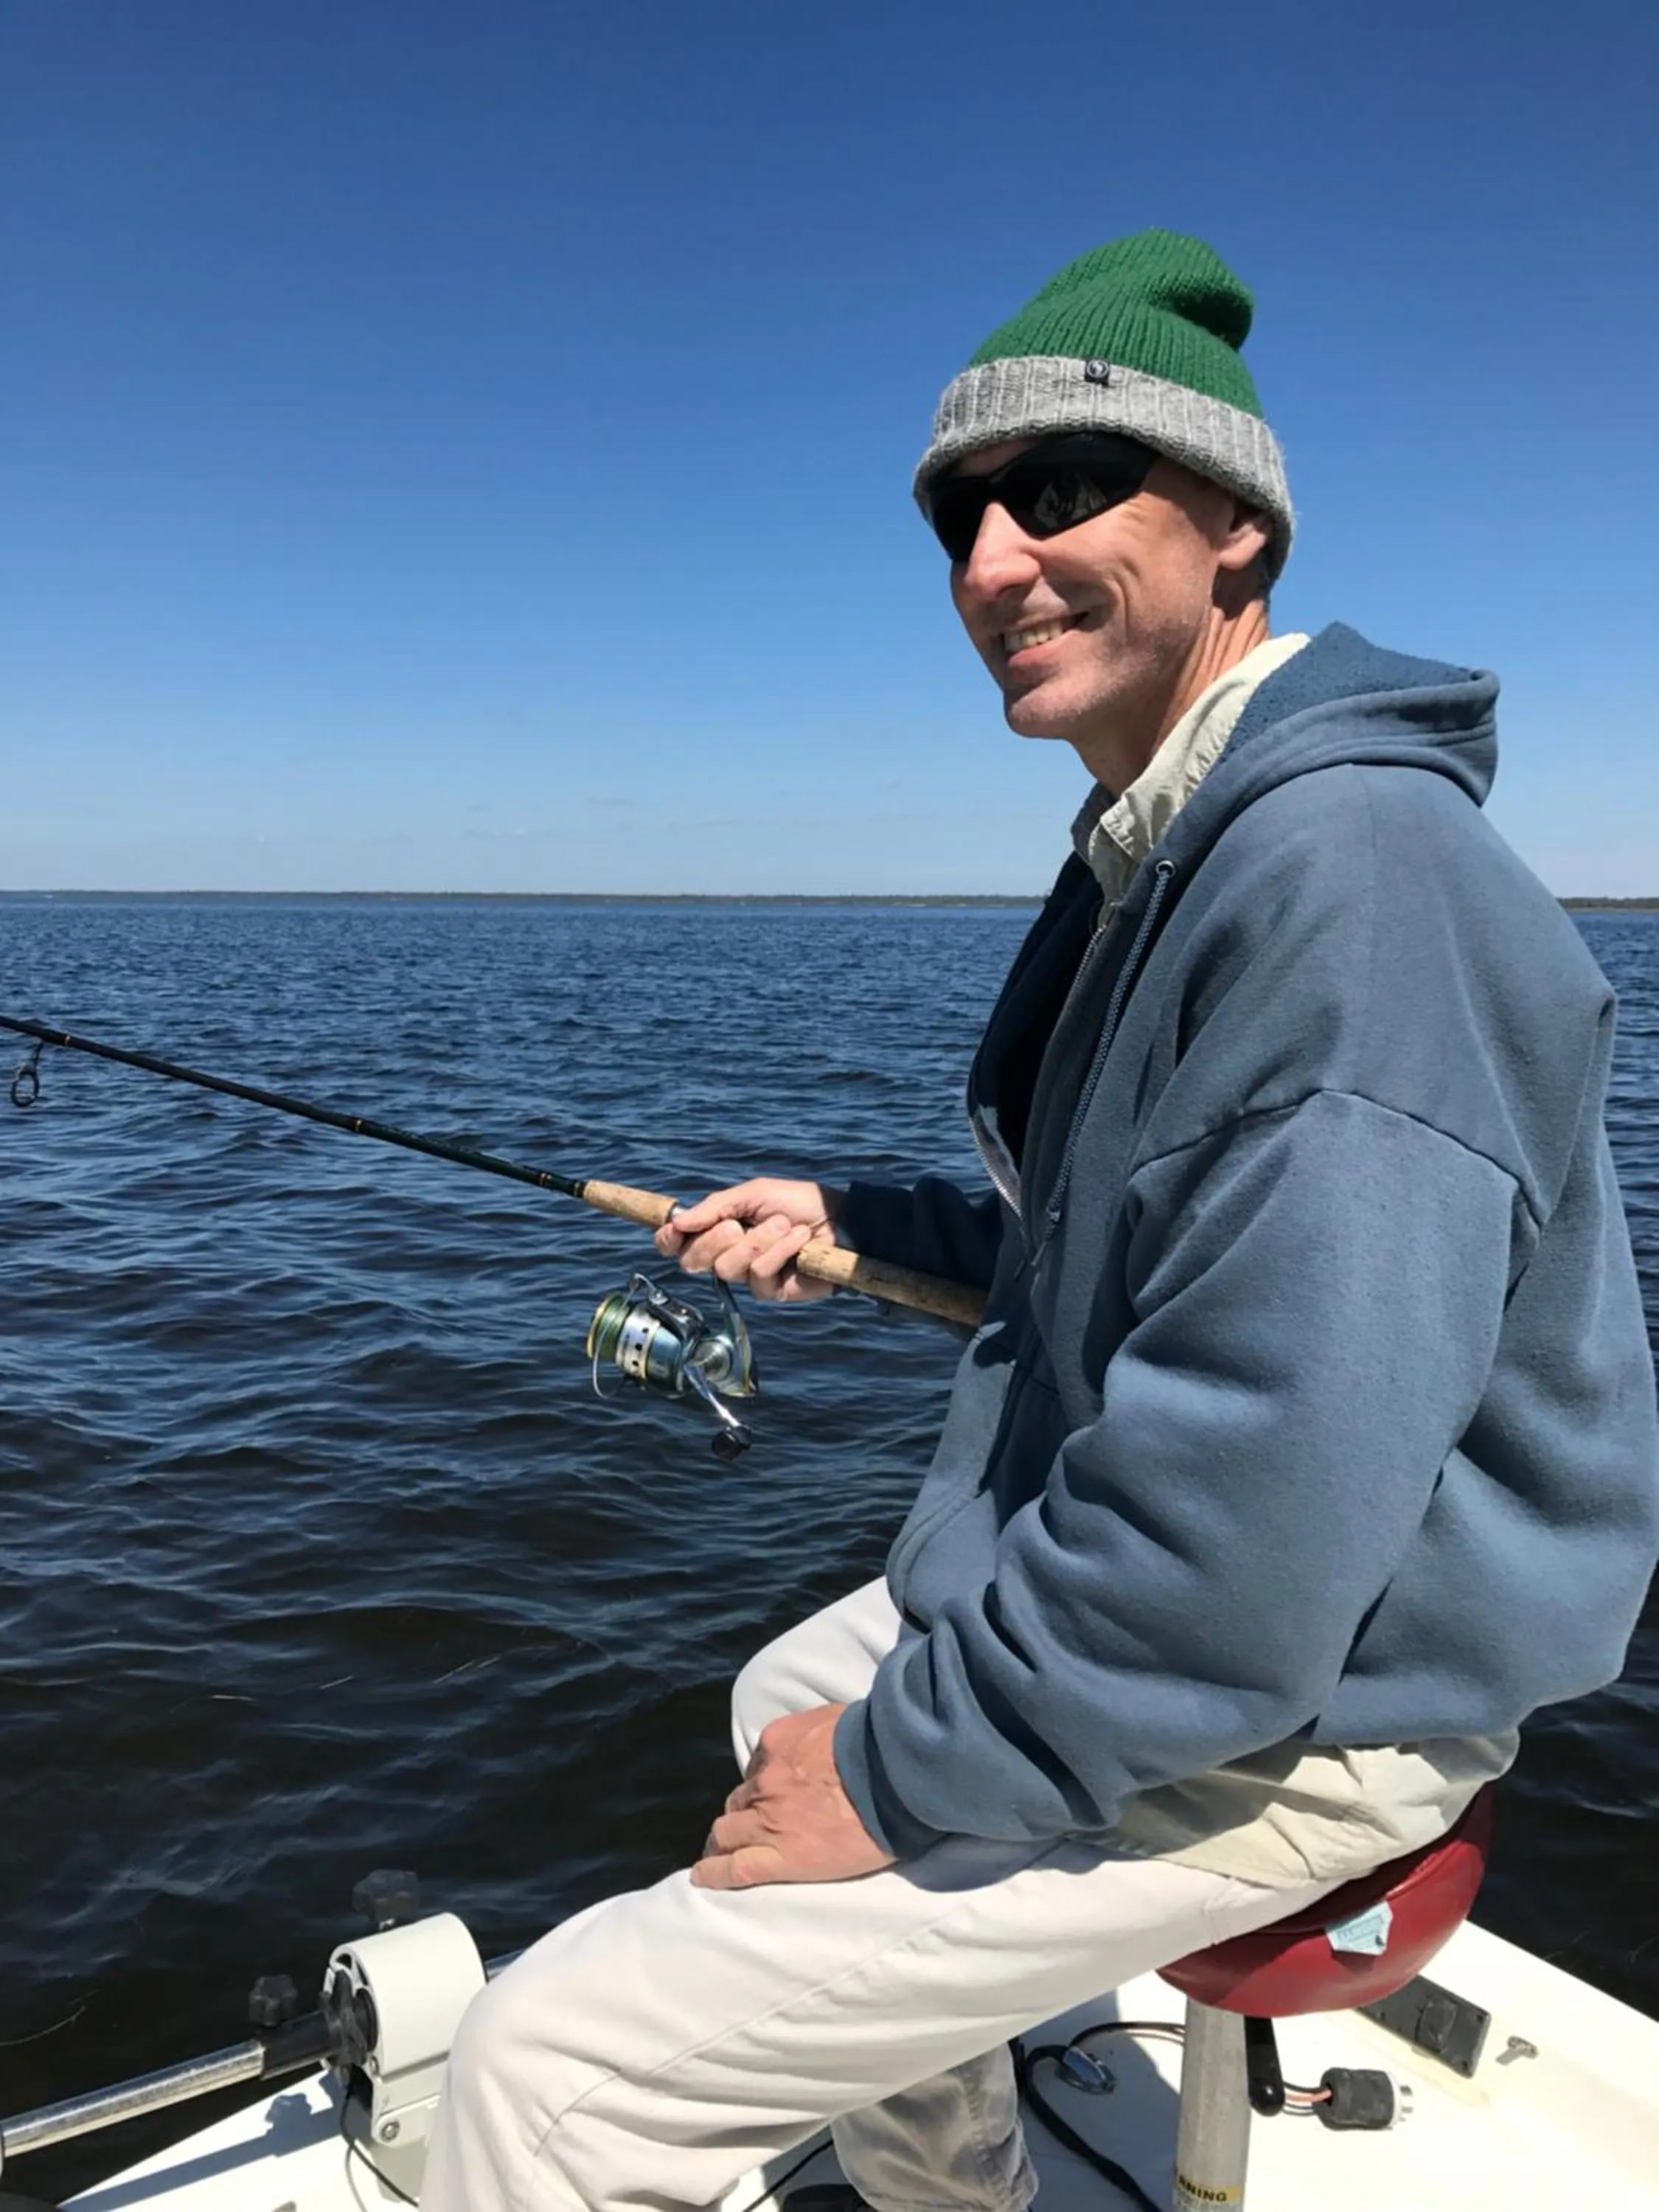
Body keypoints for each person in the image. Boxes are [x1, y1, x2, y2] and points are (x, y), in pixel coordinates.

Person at [422, 229, 1659, 2212]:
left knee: (551, 2071)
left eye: (1066, 489)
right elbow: (1155, 1245)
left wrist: (896, 1772)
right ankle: (956, 2190)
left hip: (1327, 1702)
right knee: (776, 1696)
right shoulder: (1183, 845)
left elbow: (1250, 1525)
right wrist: (859, 1220)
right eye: (960, 519)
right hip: (1250, 1623)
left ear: (1239, 528)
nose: (994, 563)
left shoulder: (1352, 884)